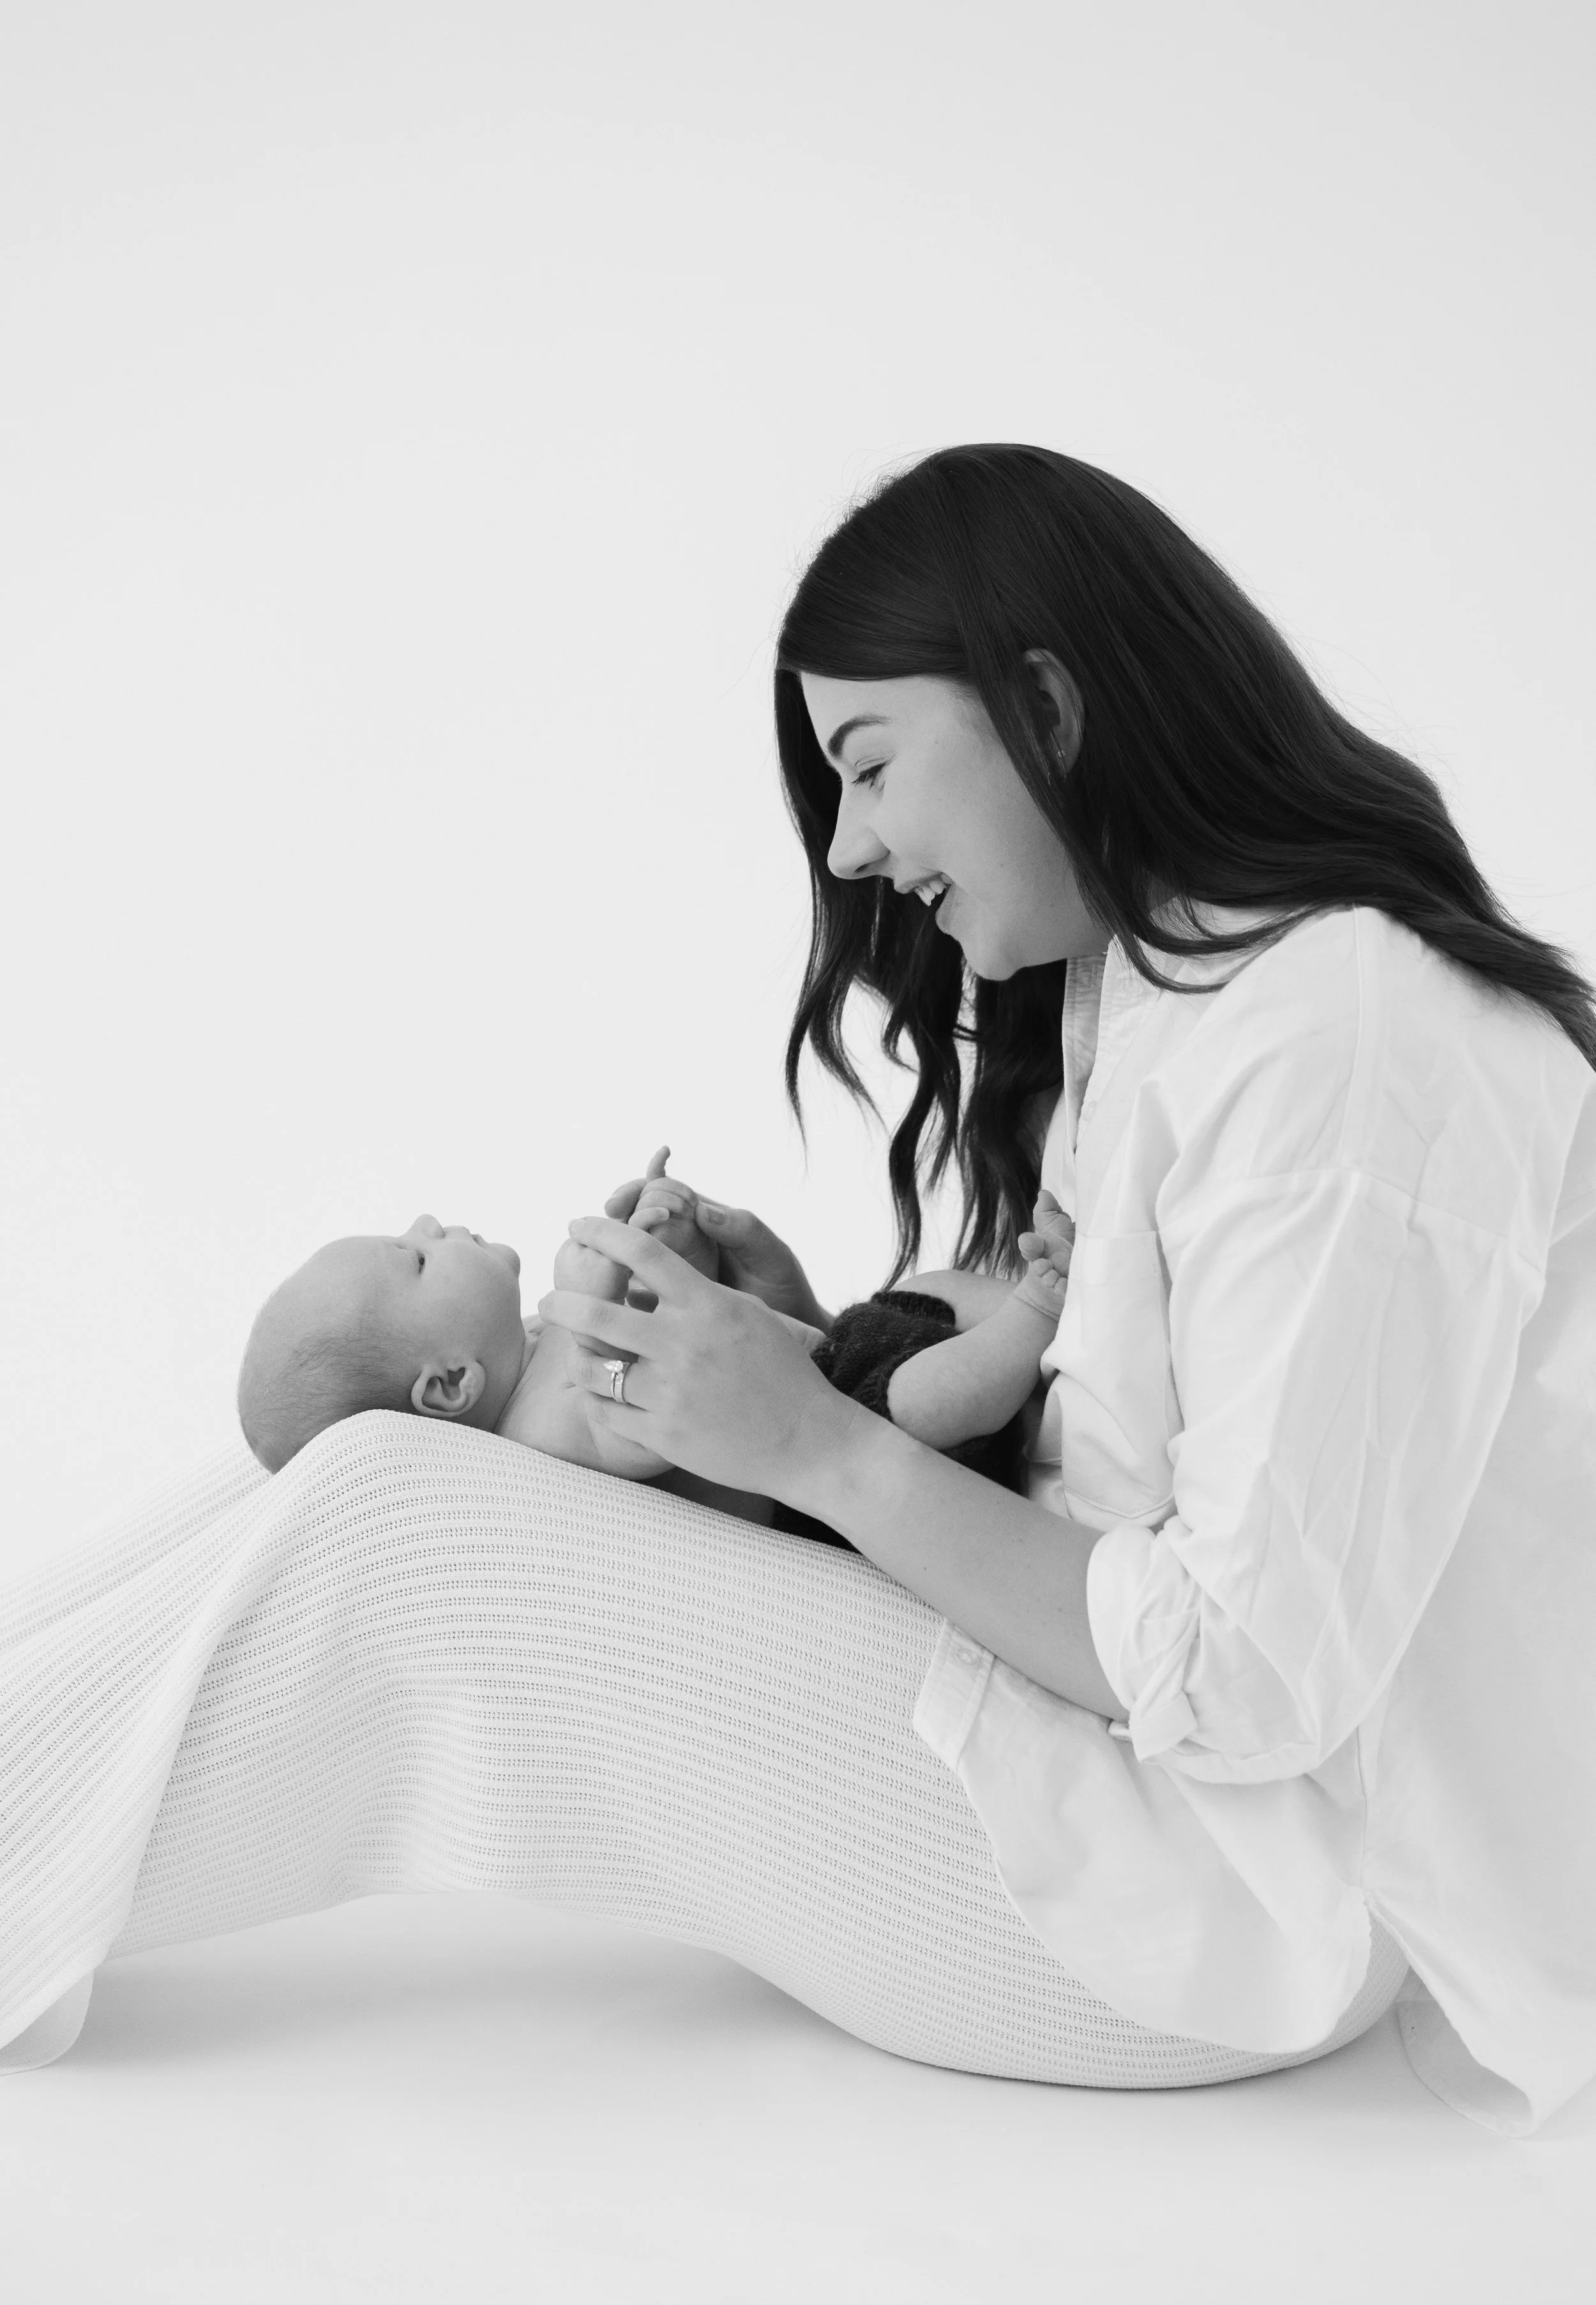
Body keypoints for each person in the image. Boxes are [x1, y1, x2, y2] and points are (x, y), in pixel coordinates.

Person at [4, 444, 1592, 2134]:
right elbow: (1110, 1465)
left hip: (1218, 1908)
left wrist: (810, 1446)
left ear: (1045, 704)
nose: (844, 846)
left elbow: (1244, 1677)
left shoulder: (1340, 1038)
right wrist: (813, 1350)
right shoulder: (1160, 989)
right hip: (1109, 1784)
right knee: (331, 1448)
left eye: (865, 763)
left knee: (399, 1507)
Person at [230, 1163, 1078, 1500]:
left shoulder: (533, 1344)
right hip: (865, 1447)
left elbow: (685, 1330)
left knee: (925, 1292)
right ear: (451, 1385)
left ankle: (1064, 1312)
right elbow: (639, 1426)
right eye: (416, 1260)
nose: (427, 1221)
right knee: (922, 1399)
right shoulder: (544, 1433)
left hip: (838, 1356)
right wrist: (594, 1281)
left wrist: (667, 1250)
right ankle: (1044, 1308)